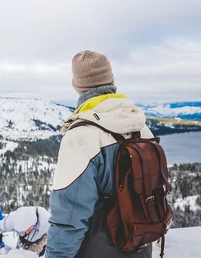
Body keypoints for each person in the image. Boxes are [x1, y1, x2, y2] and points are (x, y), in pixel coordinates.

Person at [46, 50, 153, 258]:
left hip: (97, 250)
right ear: (111, 80)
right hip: (140, 245)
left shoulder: (81, 136)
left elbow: (69, 217)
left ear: (77, 85)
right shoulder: (141, 128)